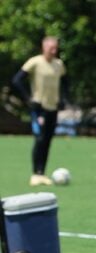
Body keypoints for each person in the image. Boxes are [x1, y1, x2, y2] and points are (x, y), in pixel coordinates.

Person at [12, 36, 70, 186]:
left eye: (55, 48)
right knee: (40, 139)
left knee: (48, 141)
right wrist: (28, 99)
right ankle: (35, 174)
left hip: (53, 107)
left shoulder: (59, 64)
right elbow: (17, 80)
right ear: (44, 48)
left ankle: (42, 173)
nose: (54, 51)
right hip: (39, 107)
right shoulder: (35, 62)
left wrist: (63, 99)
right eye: (51, 48)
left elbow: (65, 82)